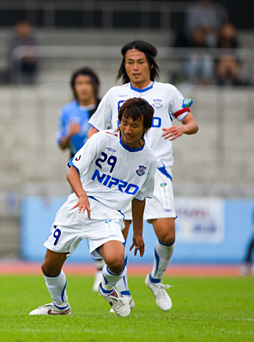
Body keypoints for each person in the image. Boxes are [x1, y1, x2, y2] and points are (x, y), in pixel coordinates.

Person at [88, 40, 199, 312]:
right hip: (122, 174)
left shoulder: (167, 92)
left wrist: (182, 129)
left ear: (150, 63)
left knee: (167, 234)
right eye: (130, 62)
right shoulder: (115, 95)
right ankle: (124, 294)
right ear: (124, 65)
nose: (135, 67)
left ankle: (155, 280)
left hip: (158, 170)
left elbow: (192, 123)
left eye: (140, 62)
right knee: (119, 238)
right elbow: (94, 130)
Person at [30, 98, 157, 318]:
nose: (127, 130)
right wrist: (82, 195)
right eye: (124, 123)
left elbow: (140, 197)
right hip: (78, 206)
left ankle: (107, 288)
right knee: (49, 267)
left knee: (116, 260)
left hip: (108, 214)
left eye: (134, 125)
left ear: (146, 127)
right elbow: (72, 171)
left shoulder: (149, 160)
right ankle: (60, 306)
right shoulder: (102, 139)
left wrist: (138, 232)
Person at [56, 67, 103, 291]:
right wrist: (69, 134)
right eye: (79, 83)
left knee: (101, 217)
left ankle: (103, 269)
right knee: (82, 216)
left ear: (95, 86)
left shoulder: (103, 109)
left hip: (103, 171)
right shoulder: (67, 111)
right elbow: (61, 144)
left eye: (87, 83)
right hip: (79, 171)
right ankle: (98, 267)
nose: (83, 87)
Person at [8, 19, 39, 85]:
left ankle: (30, 81)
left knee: (34, 63)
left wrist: (29, 56)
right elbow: (12, 52)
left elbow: (36, 50)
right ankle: (16, 82)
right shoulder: (14, 40)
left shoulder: (32, 39)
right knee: (15, 64)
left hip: (30, 62)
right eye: (21, 27)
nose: (23, 29)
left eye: (25, 27)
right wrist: (23, 56)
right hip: (18, 62)